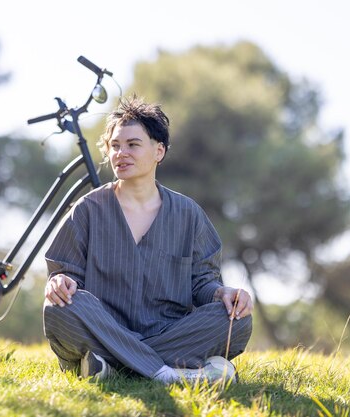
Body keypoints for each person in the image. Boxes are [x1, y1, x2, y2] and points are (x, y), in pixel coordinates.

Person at [42, 95, 253, 384]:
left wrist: (223, 294)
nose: (121, 153)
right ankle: (168, 373)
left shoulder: (188, 213)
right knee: (58, 307)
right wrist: (59, 282)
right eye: (114, 146)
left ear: (159, 151)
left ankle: (111, 365)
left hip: (169, 331)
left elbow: (203, 283)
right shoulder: (88, 209)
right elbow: (67, 277)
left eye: (132, 144)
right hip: (103, 326)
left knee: (236, 318)